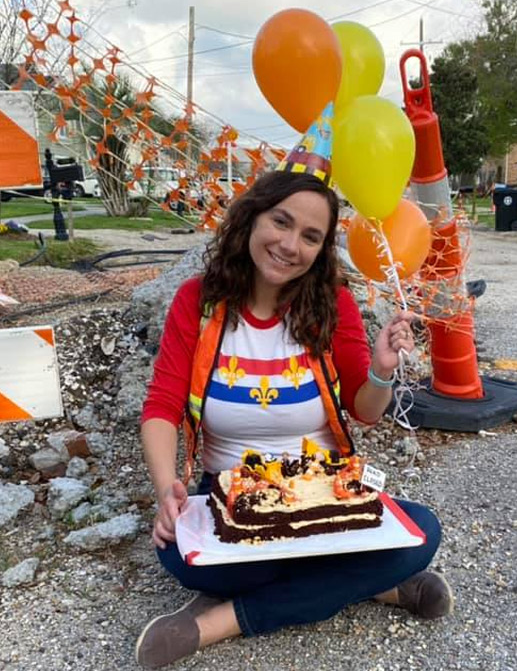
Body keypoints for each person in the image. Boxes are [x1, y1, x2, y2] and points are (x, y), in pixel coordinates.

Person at [136, 171, 451, 668]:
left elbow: (364, 413)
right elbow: (161, 406)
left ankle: (215, 623)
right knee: (177, 554)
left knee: (424, 529)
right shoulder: (198, 302)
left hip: (324, 496)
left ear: (323, 248)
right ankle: (377, 587)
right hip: (234, 499)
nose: (289, 245)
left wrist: (382, 371)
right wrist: (165, 491)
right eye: (280, 222)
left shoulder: (333, 303)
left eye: (310, 236)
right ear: (252, 218)